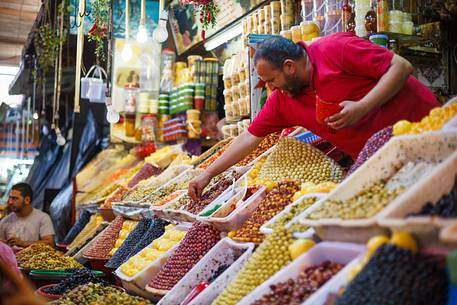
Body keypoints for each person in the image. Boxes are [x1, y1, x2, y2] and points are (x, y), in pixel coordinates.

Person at [188, 33, 440, 200]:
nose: (271, 88)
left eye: (271, 80)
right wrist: (207, 173)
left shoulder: (335, 49)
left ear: (289, 66)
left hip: (430, 132)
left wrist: (363, 106)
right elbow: (249, 137)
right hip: (387, 160)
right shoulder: (283, 100)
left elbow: (402, 66)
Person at [0, 183, 54, 248]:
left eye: (15, 198)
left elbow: (50, 243)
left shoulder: (43, 218)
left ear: (27, 200)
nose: (10, 202)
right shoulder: (5, 221)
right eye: (10, 198)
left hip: (35, 258)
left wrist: (23, 243)